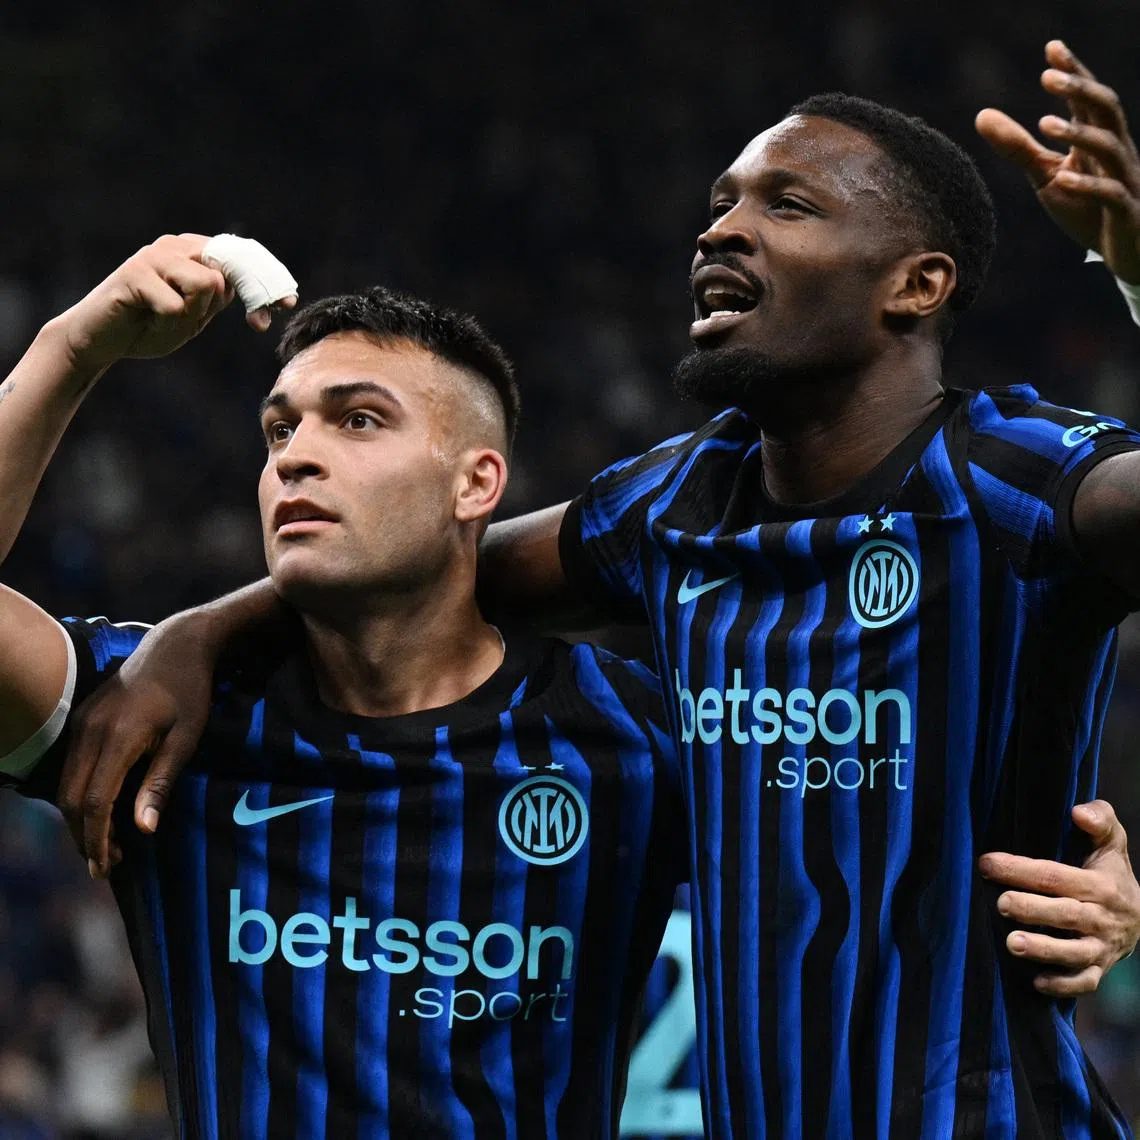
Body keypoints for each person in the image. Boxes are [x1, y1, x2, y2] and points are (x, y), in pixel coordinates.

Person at [57, 42, 1140, 1138]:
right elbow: (426, 564)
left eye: (790, 204)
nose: (723, 227)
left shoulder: (1016, 480)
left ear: (918, 283)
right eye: (722, 202)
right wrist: (197, 634)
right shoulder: (674, 505)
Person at [0, 236, 686, 1137]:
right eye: (280, 429)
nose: (295, 456)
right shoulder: (168, 719)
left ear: (476, 484)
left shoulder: (635, 742)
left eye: (358, 420)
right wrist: (71, 348)